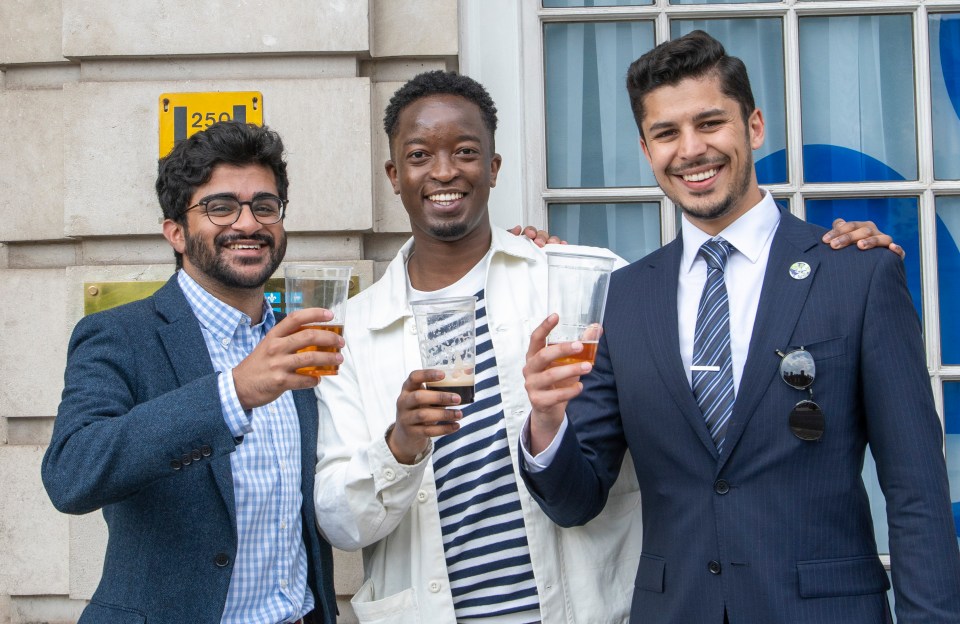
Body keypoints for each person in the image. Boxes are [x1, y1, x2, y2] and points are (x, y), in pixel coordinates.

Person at [312, 70, 897, 624]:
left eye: (465, 152)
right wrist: (401, 444)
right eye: (419, 156)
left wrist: (831, 254)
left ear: (493, 167)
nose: (444, 172)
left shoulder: (588, 280)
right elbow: (340, 522)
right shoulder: (353, 332)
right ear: (394, 174)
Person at [519, 30, 960, 624]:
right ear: (646, 150)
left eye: (710, 123)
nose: (691, 149)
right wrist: (546, 425)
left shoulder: (857, 274)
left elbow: (917, 493)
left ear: (753, 127)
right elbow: (577, 501)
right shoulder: (624, 297)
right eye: (666, 133)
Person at [42, 121, 337, 624]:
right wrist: (232, 393)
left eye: (264, 206)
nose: (248, 224)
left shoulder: (298, 340)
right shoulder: (120, 335)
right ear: (175, 232)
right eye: (220, 207)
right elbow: (71, 474)